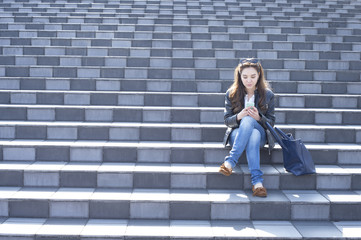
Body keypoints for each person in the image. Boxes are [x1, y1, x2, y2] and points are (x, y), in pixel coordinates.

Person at [219, 58, 275, 198]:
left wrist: (259, 118)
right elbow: (227, 121)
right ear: (239, 76)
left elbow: (271, 122)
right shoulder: (231, 93)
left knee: (252, 123)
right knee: (252, 135)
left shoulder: (267, 95)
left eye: (252, 76)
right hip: (237, 133)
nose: (249, 80)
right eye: (245, 77)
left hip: (261, 132)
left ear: (259, 76)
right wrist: (239, 116)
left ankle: (230, 161)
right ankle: (257, 183)